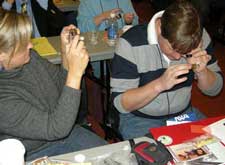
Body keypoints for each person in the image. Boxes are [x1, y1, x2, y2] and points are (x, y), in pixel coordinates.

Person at [0, 9, 107, 161]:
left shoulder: (30, 58)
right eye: (23, 43)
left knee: (113, 157)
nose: (30, 45)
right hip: (31, 154)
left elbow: (60, 87)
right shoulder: (3, 98)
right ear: (2, 55)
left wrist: (65, 53)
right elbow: (56, 129)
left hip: (66, 134)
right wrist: (75, 73)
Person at [110, 1, 223, 140]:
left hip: (183, 115)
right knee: (157, 159)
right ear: (159, 29)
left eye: (184, 53)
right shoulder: (130, 43)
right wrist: (159, 85)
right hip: (140, 119)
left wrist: (202, 71)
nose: (177, 57)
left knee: (215, 150)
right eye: (173, 49)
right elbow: (121, 103)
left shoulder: (198, 36)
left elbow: (215, 90)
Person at [77, 0, 139, 78]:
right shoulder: (87, 2)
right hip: (100, 51)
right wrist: (102, 17)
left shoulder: (125, 1)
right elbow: (82, 28)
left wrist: (129, 21)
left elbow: (136, 23)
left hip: (124, 49)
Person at [1, 0, 66, 37]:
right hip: (16, 46)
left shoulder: (38, 2)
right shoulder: (6, 4)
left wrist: (45, 4)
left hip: (40, 43)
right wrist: (8, 4)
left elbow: (60, 22)